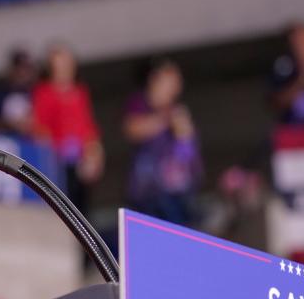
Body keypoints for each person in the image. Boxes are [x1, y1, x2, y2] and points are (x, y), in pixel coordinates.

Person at [122, 57, 202, 227]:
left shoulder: (178, 111)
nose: (176, 86)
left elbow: (187, 148)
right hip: (148, 191)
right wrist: (165, 119)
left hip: (176, 191)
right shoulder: (139, 103)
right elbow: (133, 129)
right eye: (170, 80)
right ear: (154, 79)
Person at [31, 43, 104, 215]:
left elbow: (87, 127)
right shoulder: (44, 93)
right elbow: (41, 129)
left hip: (80, 160)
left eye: (67, 64)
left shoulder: (80, 92)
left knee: (83, 209)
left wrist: (94, 152)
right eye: (59, 65)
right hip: (58, 161)